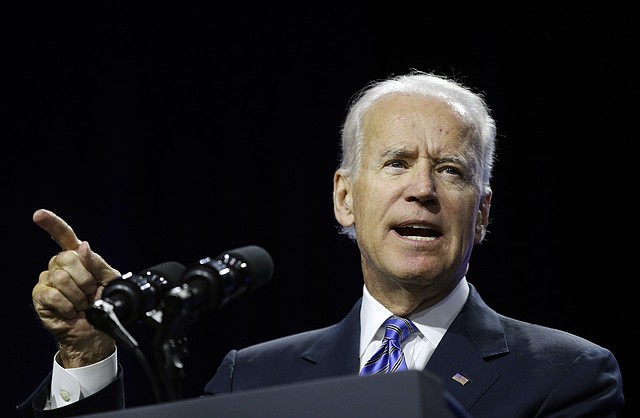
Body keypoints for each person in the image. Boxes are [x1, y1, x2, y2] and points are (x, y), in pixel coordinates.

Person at [18, 70, 624, 417]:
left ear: (483, 212)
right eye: (394, 163)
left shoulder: (567, 376)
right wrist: (86, 354)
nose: (422, 190)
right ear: (345, 199)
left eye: (452, 170)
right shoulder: (250, 381)